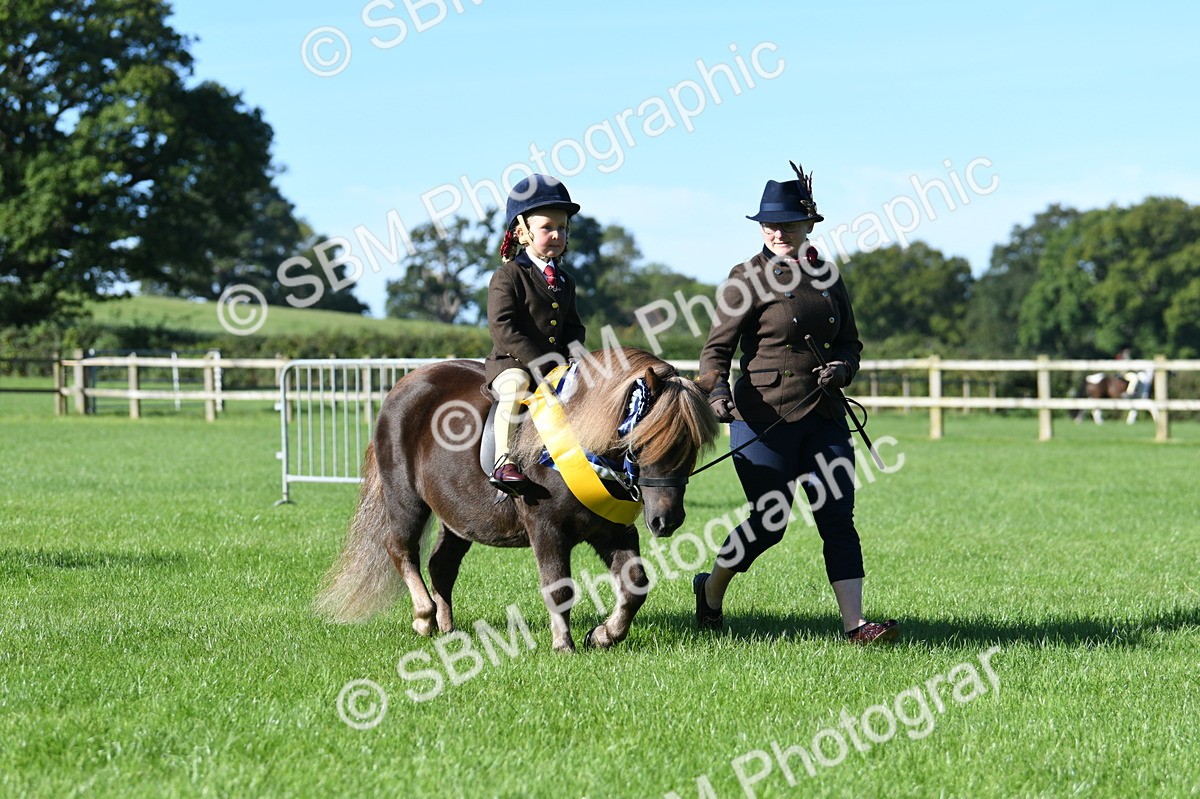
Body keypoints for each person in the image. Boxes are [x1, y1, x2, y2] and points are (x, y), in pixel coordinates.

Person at [693, 161, 899, 645]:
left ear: (809, 225)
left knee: (838, 518)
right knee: (770, 523)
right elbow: (715, 351)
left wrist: (844, 368)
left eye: (788, 222)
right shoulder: (745, 276)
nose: (779, 231)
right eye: (771, 223)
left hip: (825, 415)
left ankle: (855, 625)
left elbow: (850, 342)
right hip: (764, 415)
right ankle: (712, 589)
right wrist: (717, 392)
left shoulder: (827, 274)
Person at [485, 174, 586, 495]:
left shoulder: (566, 281)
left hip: (556, 366)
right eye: (547, 228)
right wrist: (543, 364)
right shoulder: (508, 275)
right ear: (522, 233)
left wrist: (579, 360)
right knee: (516, 386)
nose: (557, 235)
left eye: (563, 228)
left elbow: (573, 327)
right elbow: (504, 328)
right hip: (512, 364)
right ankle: (503, 462)